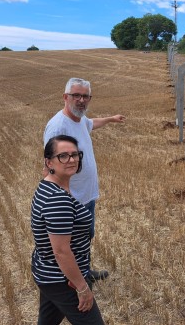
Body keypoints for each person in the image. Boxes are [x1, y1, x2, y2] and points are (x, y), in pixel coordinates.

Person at [44, 77, 125, 281]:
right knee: (70, 244)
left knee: (84, 238)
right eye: (76, 95)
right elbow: (51, 165)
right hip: (72, 199)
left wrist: (110, 119)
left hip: (86, 197)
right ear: (65, 97)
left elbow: (91, 123)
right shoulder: (58, 128)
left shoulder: (79, 120)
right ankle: (74, 282)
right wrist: (62, 199)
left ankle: (84, 272)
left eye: (85, 96)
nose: (81, 100)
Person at [31, 135, 105, 324]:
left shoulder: (48, 186)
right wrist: (82, 287)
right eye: (63, 156)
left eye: (75, 155)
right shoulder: (58, 199)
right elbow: (62, 251)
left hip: (48, 274)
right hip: (63, 280)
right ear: (49, 161)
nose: (71, 159)